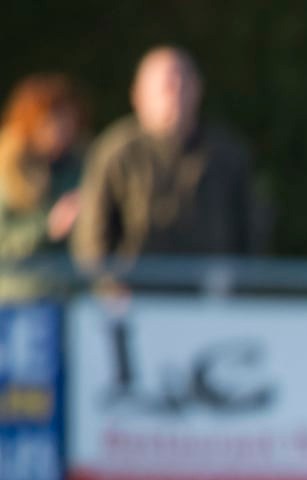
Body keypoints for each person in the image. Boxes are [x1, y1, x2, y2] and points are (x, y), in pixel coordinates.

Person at [71, 47, 257, 267]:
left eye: (183, 83)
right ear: (138, 95)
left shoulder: (227, 152)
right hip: (137, 285)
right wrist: (108, 280)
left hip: (210, 284)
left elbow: (251, 226)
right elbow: (92, 233)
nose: (176, 93)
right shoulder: (115, 152)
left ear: (198, 89)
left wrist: (241, 278)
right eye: (166, 86)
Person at [0, 73, 88, 300]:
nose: (62, 129)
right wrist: (47, 226)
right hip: (18, 295)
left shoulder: (80, 165)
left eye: (67, 120)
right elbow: (5, 240)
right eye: (53, 120)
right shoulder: (8, 169)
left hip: (68, 294)